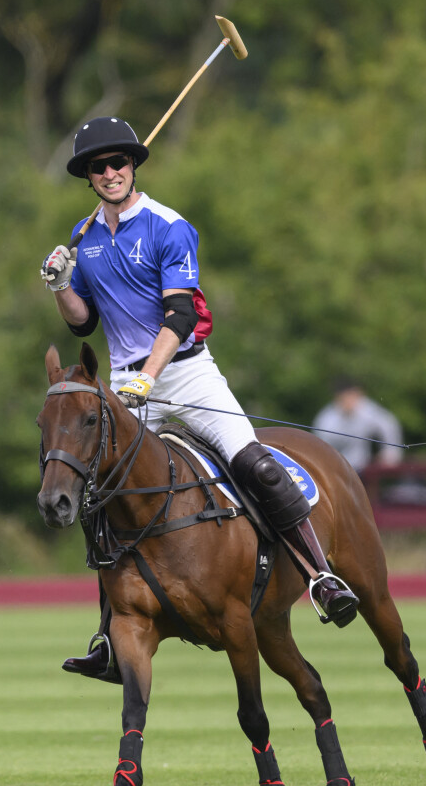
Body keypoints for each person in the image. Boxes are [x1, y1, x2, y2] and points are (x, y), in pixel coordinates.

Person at [41, 116, 359, 682]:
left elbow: (181, 313)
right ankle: (109, 638)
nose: (111, 172)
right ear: (87, 177)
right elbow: (82, 326)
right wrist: (62, 285)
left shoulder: (169, 226)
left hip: (185, 375)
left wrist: (149, 373)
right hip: (126, 385)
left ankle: (320, 575)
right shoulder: (83, 238)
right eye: (99, 166)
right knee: (102, 500)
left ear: (133, 165)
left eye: (120, 162)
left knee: (252, 462)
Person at [312, 378, 403, 473]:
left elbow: (388, 425)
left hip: (362, 468)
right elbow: (322, 443)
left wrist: (390, 452)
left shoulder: (366, 409)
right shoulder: (327, 417)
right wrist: (346, 418)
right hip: (334, 469)